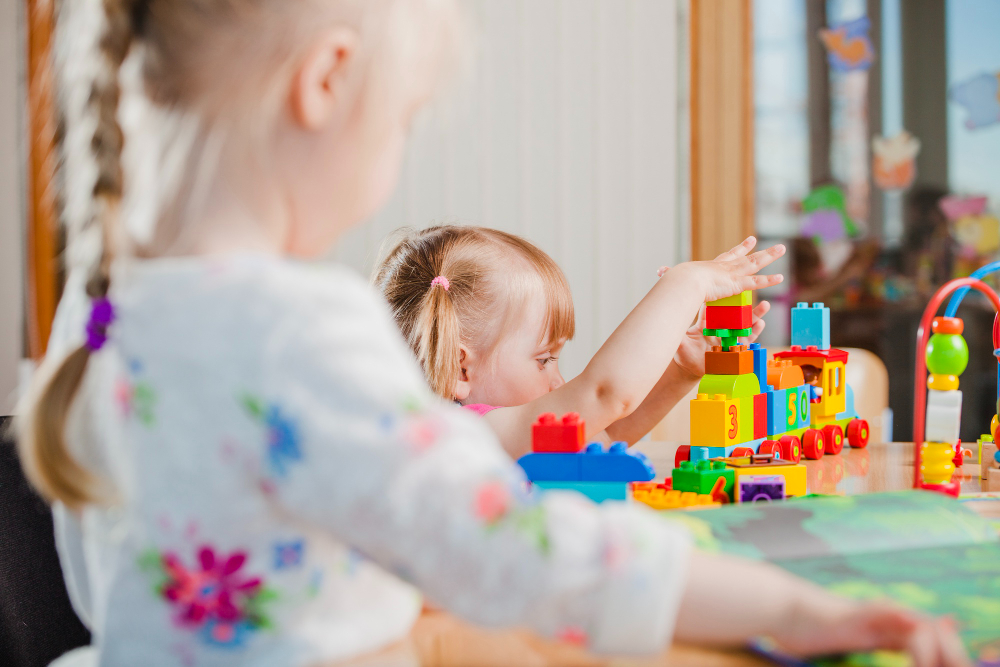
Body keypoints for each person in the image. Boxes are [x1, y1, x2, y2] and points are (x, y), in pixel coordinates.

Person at [15, 0, 968, 665]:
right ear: (328, 81)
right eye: (405, 121)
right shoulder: (296, 329)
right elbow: (521, 551)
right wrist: (799, 609)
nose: (391, 163)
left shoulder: (97, 312)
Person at [375, 225, 775, 457]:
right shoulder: (466, 436)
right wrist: (687, 283)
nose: (558, 382)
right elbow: (604, 394)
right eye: (544, 360)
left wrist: (682, 373)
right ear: (461, 367)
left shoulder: (508, 439)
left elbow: (604, 434)